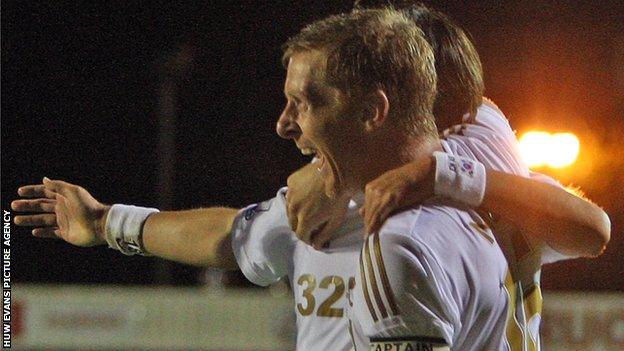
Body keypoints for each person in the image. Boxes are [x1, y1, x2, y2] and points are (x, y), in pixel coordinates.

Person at [12, 5, 609, 351]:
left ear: (382, 105)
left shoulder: (406, 232)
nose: (283, 125)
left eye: (307, 102)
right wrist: (105, 221)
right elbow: (235, 237)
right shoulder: (487, 162)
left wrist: (418, 173)